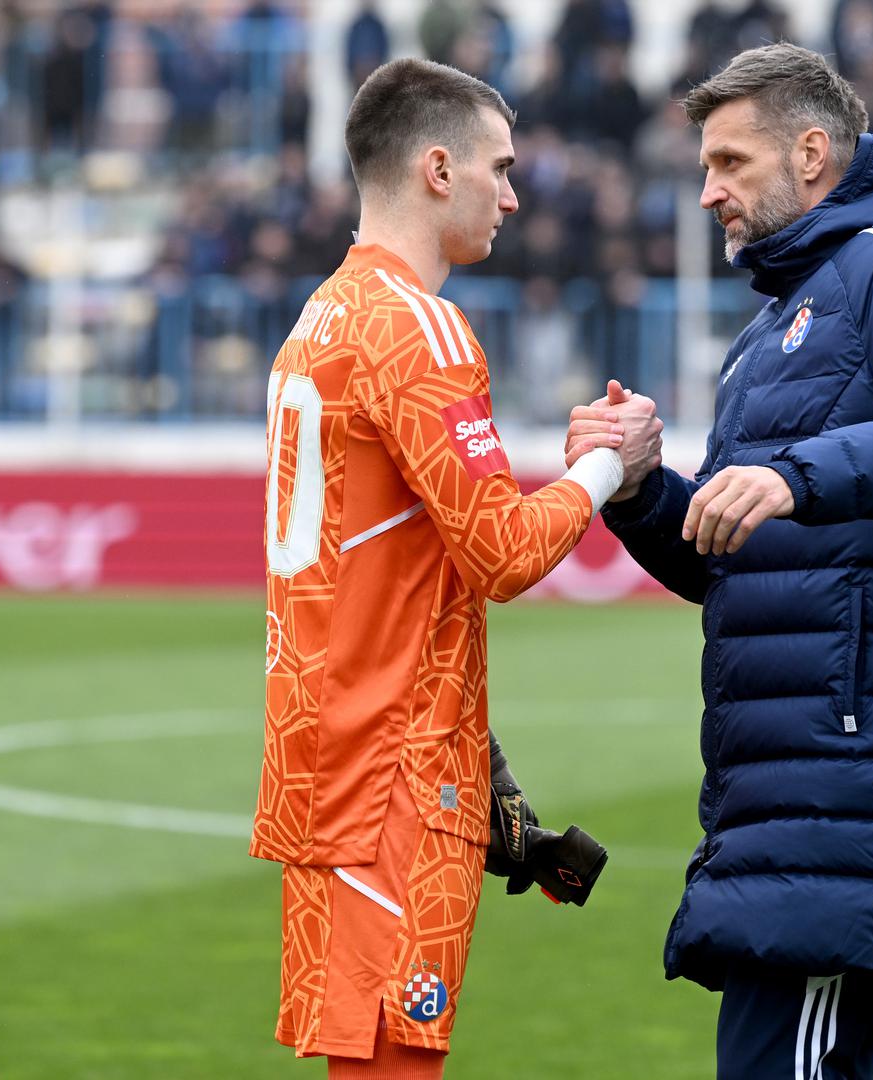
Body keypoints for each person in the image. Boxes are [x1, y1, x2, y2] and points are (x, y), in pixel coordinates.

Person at [566, 43, 873, 1080]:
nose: (705, 191)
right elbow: (737, 562)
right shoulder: (770, 327)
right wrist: (640, 490)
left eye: (728, 162)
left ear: (811, 153)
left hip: (848, 788)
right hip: (778, 793)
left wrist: (797, 475)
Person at [250, 58, 657, 1079]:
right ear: (438, 169)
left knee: (363, 1057)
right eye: (499, 168)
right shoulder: (417, 325)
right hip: (391, 772)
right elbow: (505, 554)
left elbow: (400, 571)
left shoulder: (320, 318)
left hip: (327, 751)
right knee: (392, 1062)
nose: (514, 195)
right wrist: (610, 465)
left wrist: (475, 745)